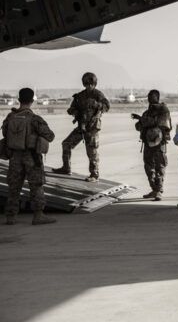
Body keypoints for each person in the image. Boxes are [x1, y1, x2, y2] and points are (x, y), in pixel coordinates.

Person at [2, 88, 56, 225]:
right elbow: (50, 136)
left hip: (15, 156)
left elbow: (5, 134)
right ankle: (38, 215)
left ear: (19, 100)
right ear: (32, 101)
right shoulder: (35, 119)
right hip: (31, 157)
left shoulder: (10, 117)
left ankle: (11, 217)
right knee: (36, 185)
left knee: (14, 186)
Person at [53, 72, 110, 182]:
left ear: (94, 84)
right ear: (84, 84)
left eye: (91, 84)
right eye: (87, 84)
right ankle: (66, 168)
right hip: (82, 127)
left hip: (92, 127)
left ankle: (94, 175)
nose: (89, 86)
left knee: (92, 151)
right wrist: (74, 111)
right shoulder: (80, 96)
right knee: (66, 144)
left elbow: (107, 106)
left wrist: (96, 105)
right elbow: (71, 108)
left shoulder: (98, 95)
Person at [132, 90, 172, 201]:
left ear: (157, 97)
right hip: (148, 144)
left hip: (159, 144)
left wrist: (141, 119)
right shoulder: (147, 112)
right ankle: (154, 189)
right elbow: (139, 126)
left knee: (160, 166)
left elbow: (160, 122)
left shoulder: (163, 110)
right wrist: (140, 122)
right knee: (149, 167)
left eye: (152, 96)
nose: (149, 98)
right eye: (149, 96)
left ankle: (159, 190)